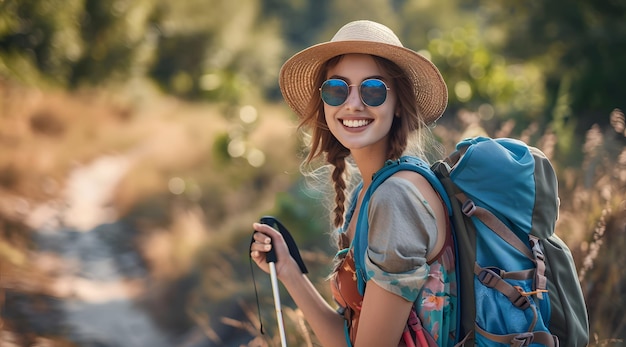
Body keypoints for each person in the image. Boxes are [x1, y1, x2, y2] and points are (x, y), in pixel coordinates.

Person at [251, 20, 455, 347]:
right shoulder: (371, 191)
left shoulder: (396, 197)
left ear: (399, 103)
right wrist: (287, 269)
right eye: (337, 89)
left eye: (373, 89)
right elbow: (348, 339)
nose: (353, 104)